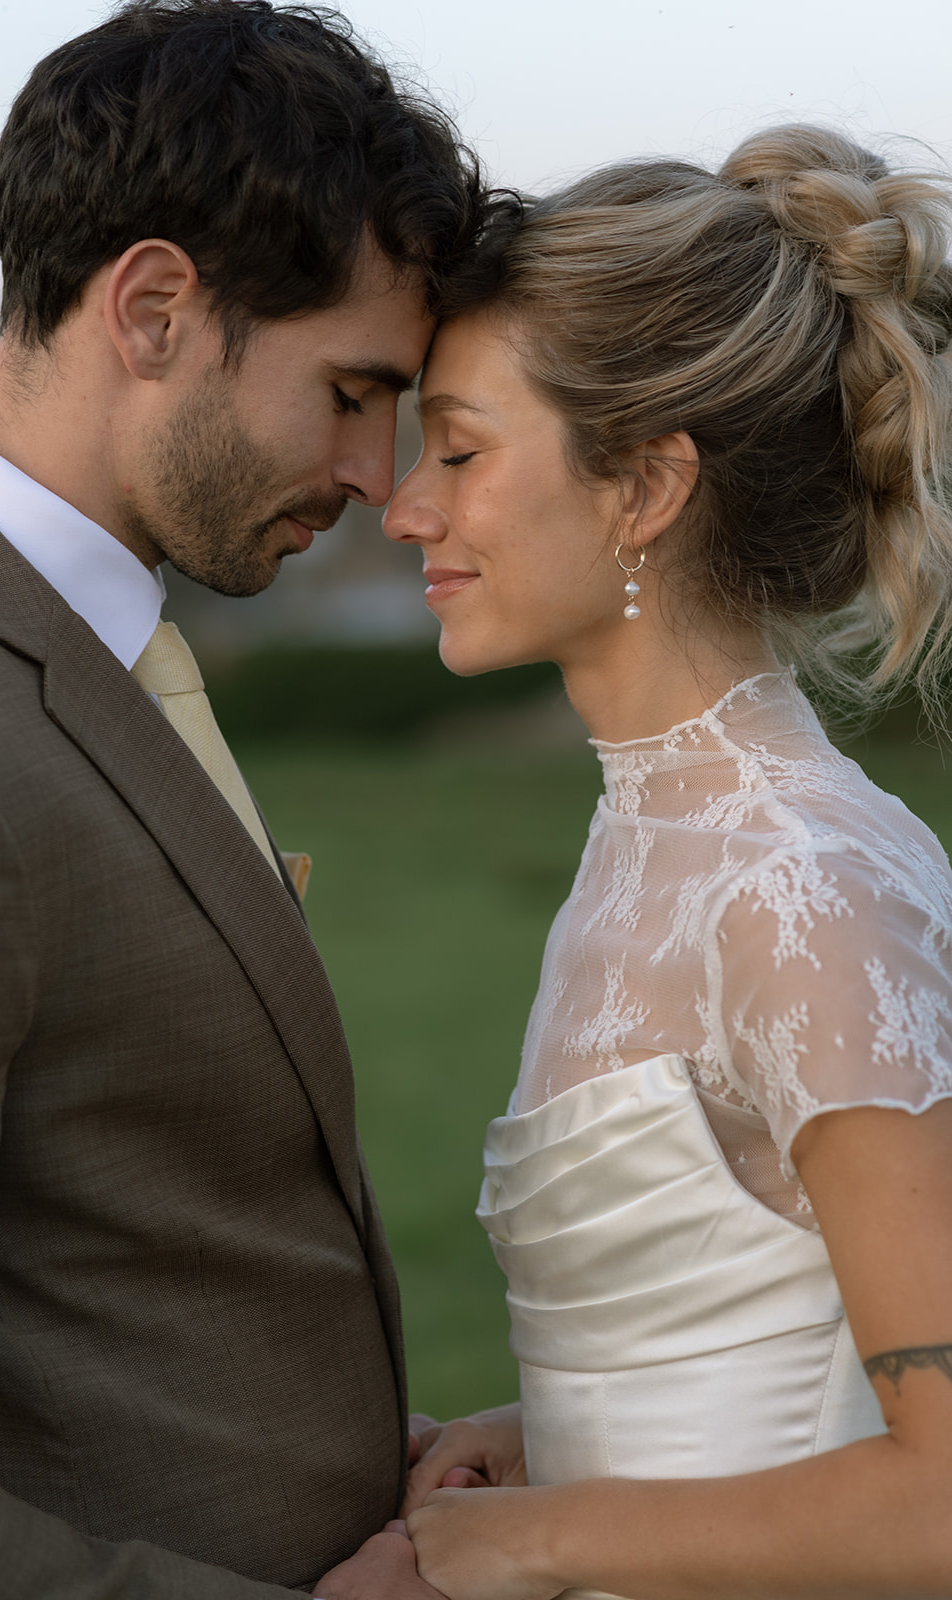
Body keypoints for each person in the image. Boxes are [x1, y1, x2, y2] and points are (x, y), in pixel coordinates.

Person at [0, 3, 487, 1596]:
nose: (378, 476)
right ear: (152, 307)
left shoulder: (91, 639)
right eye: (353, 391)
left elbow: (117, 1257)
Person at [384, 124, 952, 1599]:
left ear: (645, 487)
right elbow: (753, 1318)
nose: (407, 507)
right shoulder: (655, 834)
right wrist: (556, 1440)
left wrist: (540, 1540)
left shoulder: (795, 885)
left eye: (457, 447)